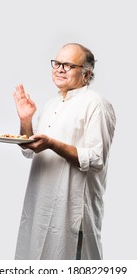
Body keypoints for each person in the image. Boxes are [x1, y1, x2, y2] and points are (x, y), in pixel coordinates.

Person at [13, 43, 116, 260]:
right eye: (57, 63)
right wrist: (26, 120)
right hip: (40, 205)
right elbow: (30, 151)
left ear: (87, 75)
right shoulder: (51, 105)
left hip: (71, 211)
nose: (60, 68)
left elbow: (96, 159)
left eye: (68, 65)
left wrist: (53, 144)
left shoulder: (96, 104)